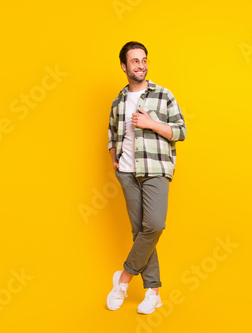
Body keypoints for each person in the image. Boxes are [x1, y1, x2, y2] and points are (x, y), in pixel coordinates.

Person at [106, 41, 187, 314]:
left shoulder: (163, 95)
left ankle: (124, 279)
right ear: (124, 66)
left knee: (153, 225)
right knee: (139, 232)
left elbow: (181, 131)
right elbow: (112, 134)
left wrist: (151, 123)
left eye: (144, 60)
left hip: (156, 170)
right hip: (127, 173)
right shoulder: (118, 101)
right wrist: (114, 156)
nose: (141, 65)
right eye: (135, 61)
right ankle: (153, 292)